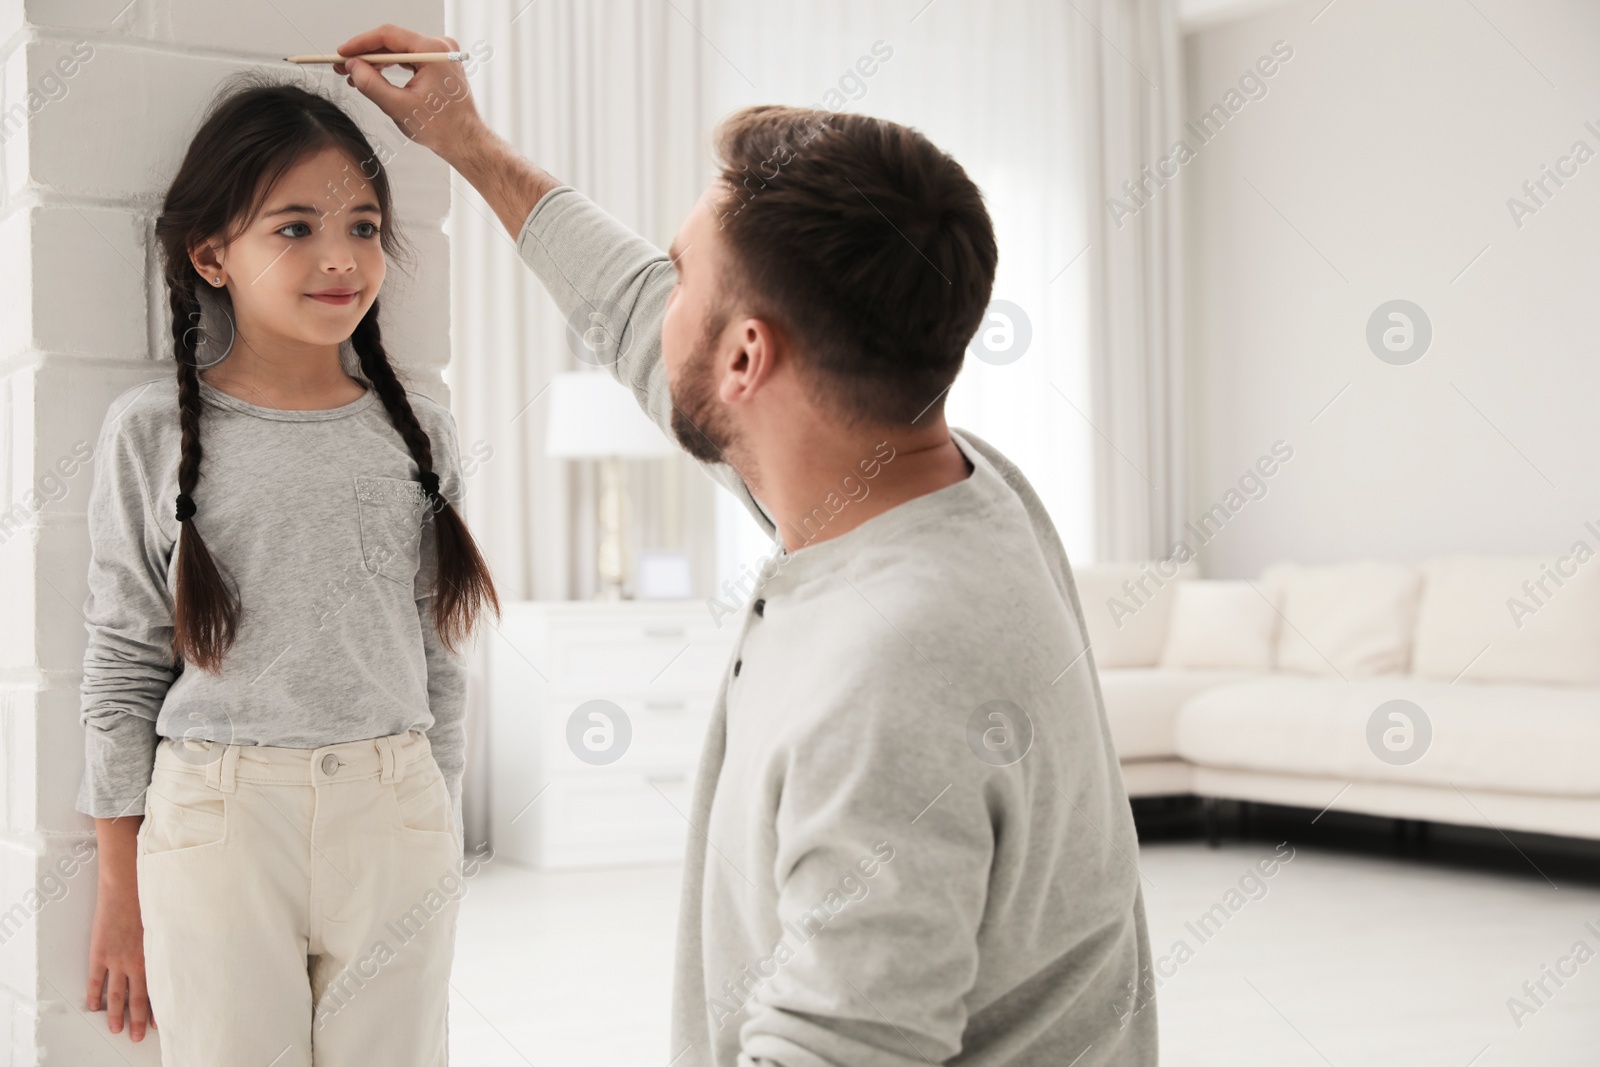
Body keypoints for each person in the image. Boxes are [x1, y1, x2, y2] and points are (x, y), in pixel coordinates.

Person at [340, 25, 1158, 1066]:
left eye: (684, 275)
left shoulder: (893, 663)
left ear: (743, 356)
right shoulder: (942, 478)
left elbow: (842, 1046)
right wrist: (471, 145)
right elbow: (635, 316)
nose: (660, 295)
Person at [78, 77, 498, 1066]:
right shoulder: (149, 432)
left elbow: (439, 649)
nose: (341, 257)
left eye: (362, 224)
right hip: (219, 823)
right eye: (296, 227)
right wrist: (118, 890)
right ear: (211, 253)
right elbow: (123, 660)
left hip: (392, 810)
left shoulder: (419, 430)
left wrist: (434, 819)